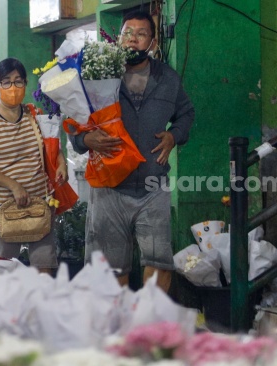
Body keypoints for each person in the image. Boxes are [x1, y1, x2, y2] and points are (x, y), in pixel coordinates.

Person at [68, 10, 195, 292]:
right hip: (110, 186)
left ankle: (147, 326)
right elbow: (74, 121)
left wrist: (174, 136)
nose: (133, 39)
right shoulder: (96, 74)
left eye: (141, 34)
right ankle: (116, 328)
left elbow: (186, 113)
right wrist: (86, 141)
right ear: (118, 37)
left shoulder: (167, 78)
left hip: (152, 186)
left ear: (151, 42)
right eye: (128, 33)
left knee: (159, 262)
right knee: (111, 269)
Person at [0, 58, 68, 274]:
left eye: (18, 81)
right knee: (4, 270)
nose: (12, 88)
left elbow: (51, 147)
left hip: (39, 203)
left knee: (44, 268)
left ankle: (41, 308)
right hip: (5, 207)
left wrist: (61, 164)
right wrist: (13, 185)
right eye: (6, 82)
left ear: (25, 84)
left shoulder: (35, 114)